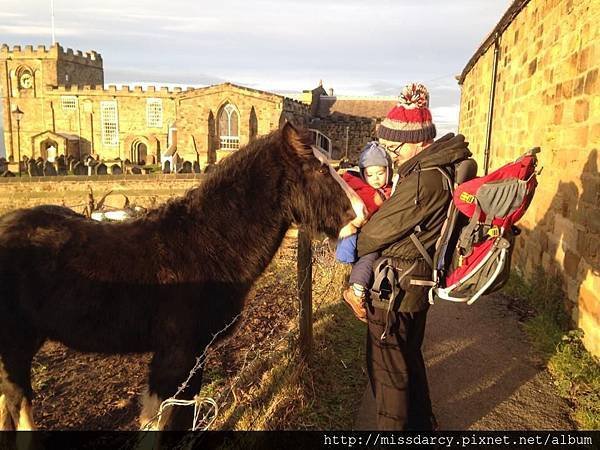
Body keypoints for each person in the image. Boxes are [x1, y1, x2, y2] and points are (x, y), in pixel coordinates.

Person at [357, 83, 472, 430]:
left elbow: (374, 235)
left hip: (396, 292)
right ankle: (423, 427)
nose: (390, 153)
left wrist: (359, 237)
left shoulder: (423, 180)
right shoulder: (433, 170)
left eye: (396, 145)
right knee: (408, 360)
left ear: (420, 141)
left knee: (390, 377)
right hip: (412, 286)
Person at [336, 142, 393, 322]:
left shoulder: (386, 190)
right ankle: (356, 292)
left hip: (372, 232)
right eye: (370, 174)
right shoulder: (366, 192)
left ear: (388, 171)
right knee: (369, 256)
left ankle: (363, 294)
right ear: (363, 174)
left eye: (380, 173)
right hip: (361, 234)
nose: (375, 178)